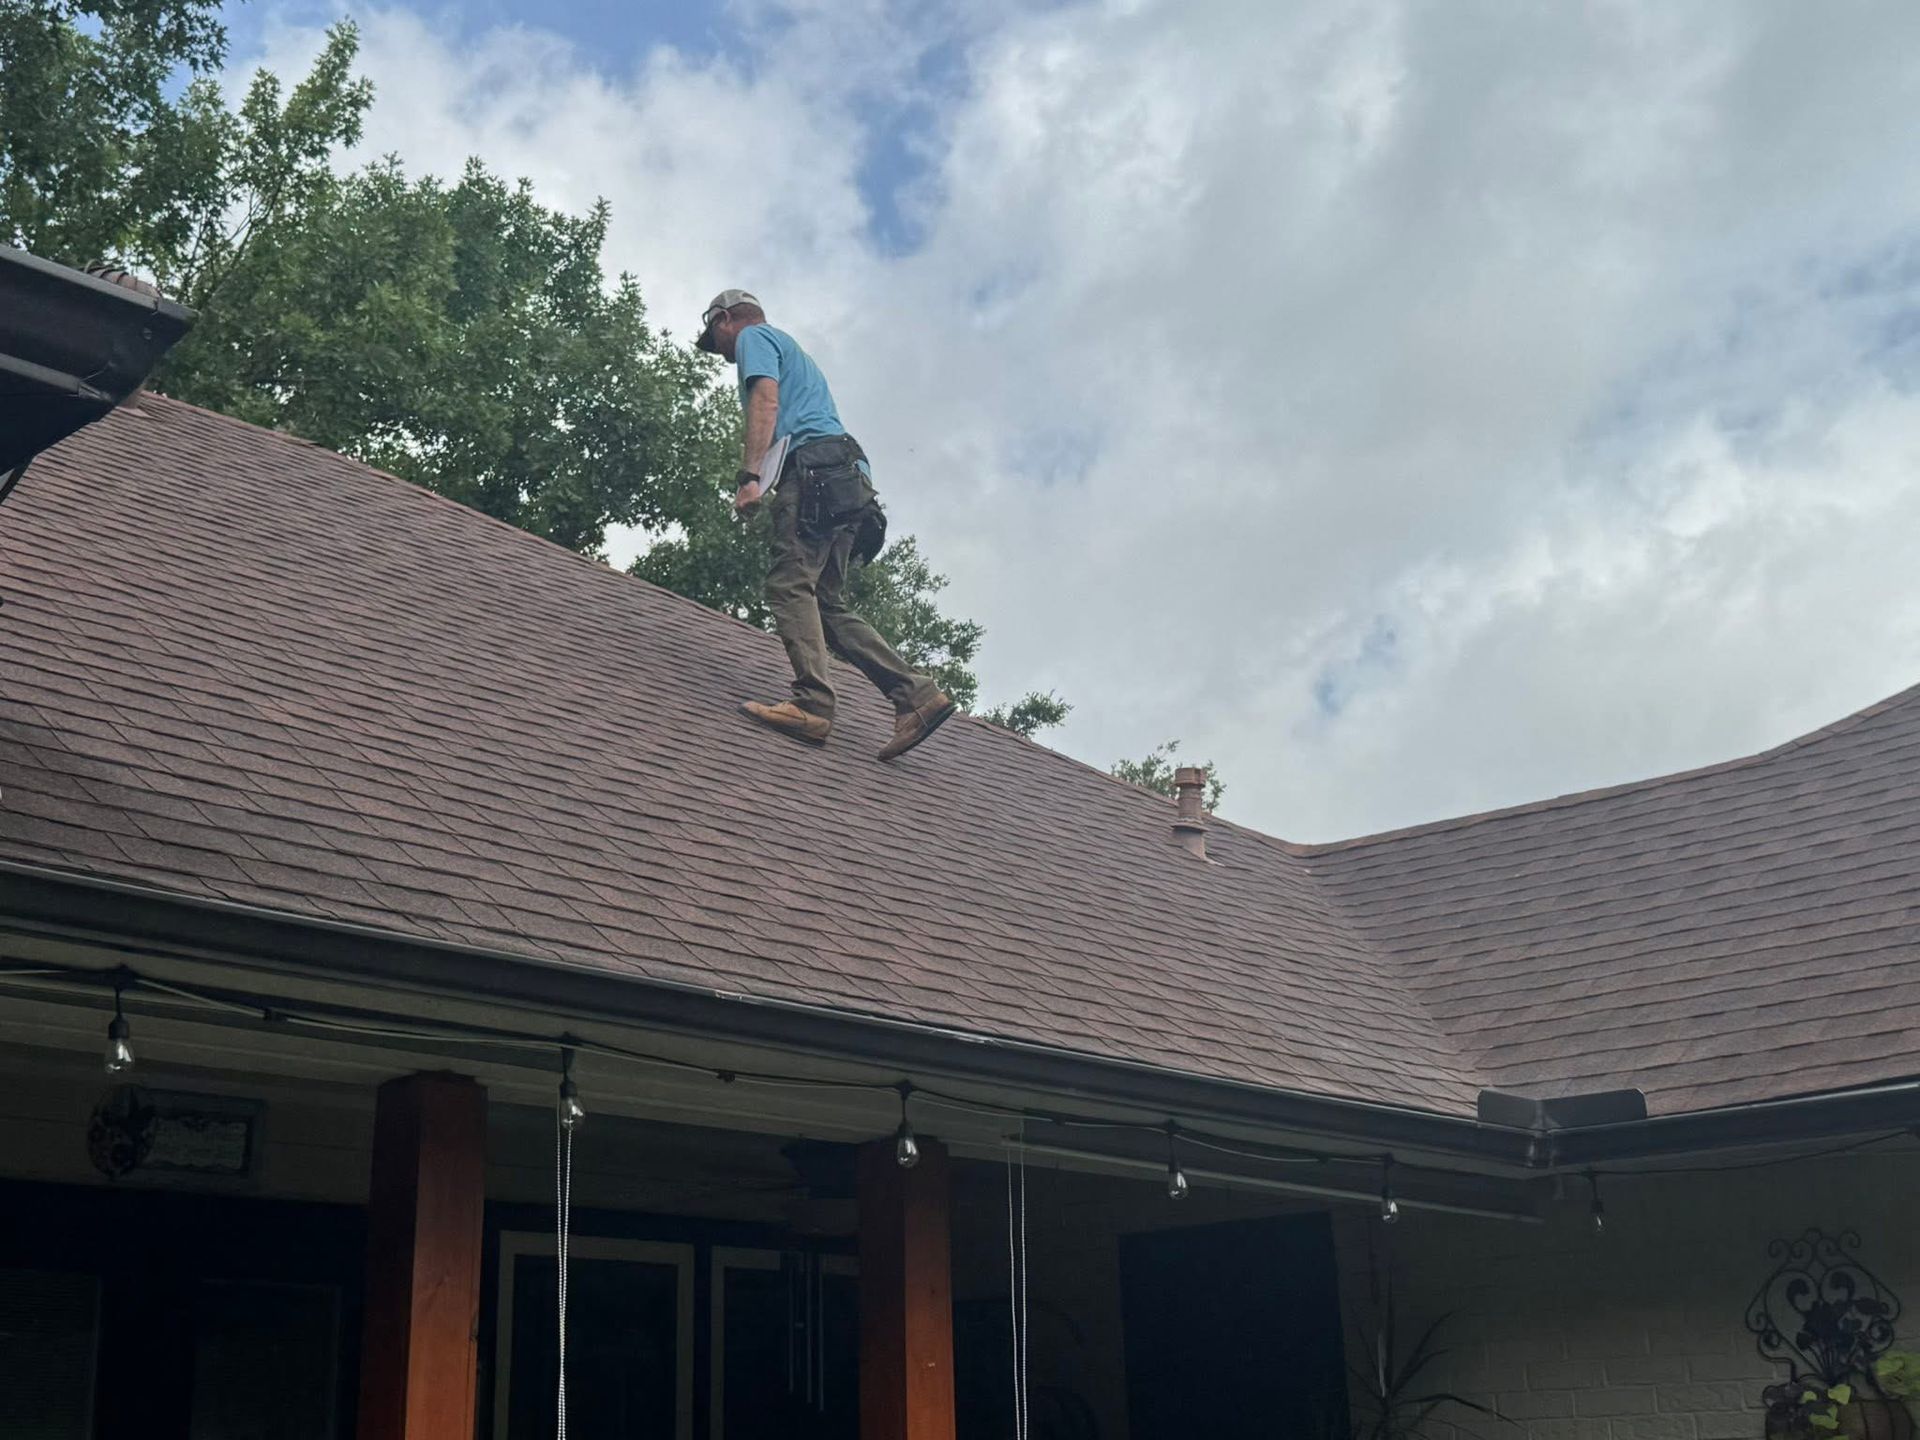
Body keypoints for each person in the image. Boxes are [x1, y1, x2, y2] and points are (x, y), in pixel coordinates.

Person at [696, 289, 955, 761]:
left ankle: (812, 704)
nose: (722, 353)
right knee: (826, 606)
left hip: (814, 472)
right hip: (849, 478)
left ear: (726, 319)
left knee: (789, 584)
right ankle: (917, 697)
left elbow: (766, 401)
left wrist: (750, 477)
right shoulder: (797, 355)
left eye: (717, 339)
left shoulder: (756, 337)